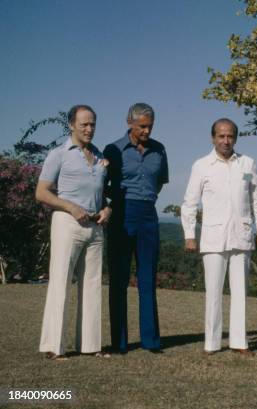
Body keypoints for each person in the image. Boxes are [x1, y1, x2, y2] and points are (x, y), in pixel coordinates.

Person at [181, 118, 257, 355]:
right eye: (221, 136)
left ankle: (240, 342)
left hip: (241, 235)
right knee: (213, 293)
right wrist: (189, 235)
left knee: (240, 292)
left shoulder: (247, 165)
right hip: (213, 237)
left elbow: (256, 200)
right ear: (213, 138)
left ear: (235, 138)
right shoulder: (201, 166)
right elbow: (189, 202)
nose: (225, 140)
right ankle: (212, 343)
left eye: (230, 136)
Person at [37, 105, 112, 360]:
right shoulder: (58, 155)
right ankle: (53, 346)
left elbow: (103, 193)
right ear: (71, 125)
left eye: (92, 124)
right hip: (67, 223)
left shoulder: (99, 155)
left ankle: (91, 346)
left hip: (95, 226)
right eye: (84, 124)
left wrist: (107, 210)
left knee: (92, 285)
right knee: (60, 282)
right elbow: (42, 192)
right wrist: (70, 207)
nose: (89, 129)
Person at [104, 103, 169, 354]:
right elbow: (102, 183)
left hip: (148, 215)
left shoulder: (159, 150)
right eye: (142, 126)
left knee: (147, 279)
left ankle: (151, 341)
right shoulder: (113, 149)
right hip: (122, 213)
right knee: (119, 279)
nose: (147, 131)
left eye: (150, 126)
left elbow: (160, 181)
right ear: (129, 122)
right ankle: (118, 343)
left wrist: (146, 197)